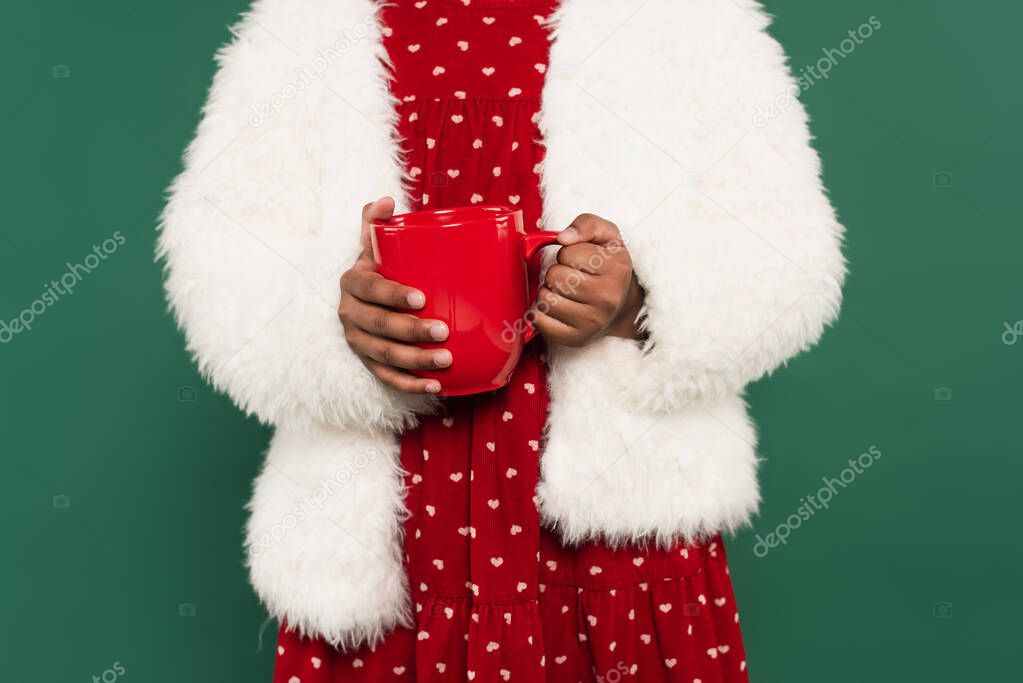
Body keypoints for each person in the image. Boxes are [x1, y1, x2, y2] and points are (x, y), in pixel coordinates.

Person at [159, 0, 846, 680]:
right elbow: (218, 260)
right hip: (387, 532)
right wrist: (333, 314)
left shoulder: (684, 19)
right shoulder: (305, 26)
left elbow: (787, 250)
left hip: (616, 529)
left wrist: (638, 298)